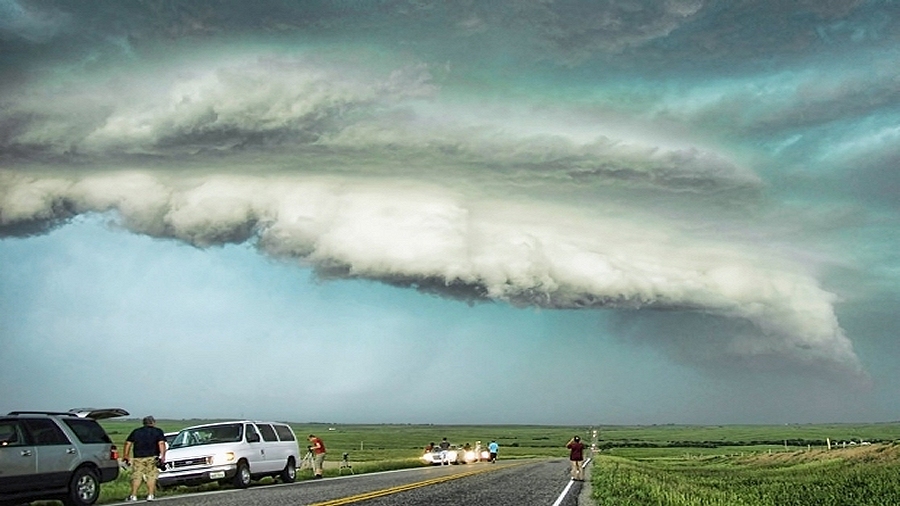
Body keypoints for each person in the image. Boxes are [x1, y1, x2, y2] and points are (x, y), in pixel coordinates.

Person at [123, 416, 167, 501]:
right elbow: (161, 443)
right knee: (151, 476)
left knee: (137, 476)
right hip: (152, 457)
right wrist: (163, 456)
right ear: (153, 422)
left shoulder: (136, 431)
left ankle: (133, 495)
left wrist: (126, 455)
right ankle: (150, 495)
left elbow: (128, 443)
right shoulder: (158, 431)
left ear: (143, 423)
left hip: (138, 457)